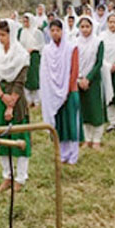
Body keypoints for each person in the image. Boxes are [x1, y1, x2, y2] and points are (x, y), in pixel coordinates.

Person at [0, 20, 31, 192]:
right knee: (2, 139)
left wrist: (11, 105)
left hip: (16, 101)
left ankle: (21, 176)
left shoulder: (21, 55)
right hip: (0, 99)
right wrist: (2, 96)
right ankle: (7, 175)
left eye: (4, 35)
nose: (1, 38)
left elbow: (19, 82)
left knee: (19, 138)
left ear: (11, 35)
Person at [40, 19, 82, 164]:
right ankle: (63, 153)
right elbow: (45, 73)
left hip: (70, 92)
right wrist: (53, 92)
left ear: (63, 31)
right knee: (60, 123)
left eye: (58, 30)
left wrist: (67, 91)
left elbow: (74, 71)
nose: (55, 33)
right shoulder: (47, 50)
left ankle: (73, 154)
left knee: (71, 123)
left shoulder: (72, 48)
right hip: (54, 93)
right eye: (52, 30)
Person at [75, 16, 110, 149]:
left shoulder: (98, 42)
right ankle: (87, 138)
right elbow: (74, 62)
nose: (85, 29)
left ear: (92, 27)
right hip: (79, 81)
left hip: (94, 80)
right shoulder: (75, 43)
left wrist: (88, 78)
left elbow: (99, 62)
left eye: (87, 26)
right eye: (82, 27)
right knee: (84, 110)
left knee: (95, 109)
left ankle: (96, 139)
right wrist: (79, 78)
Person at [18, 13, 44, 108]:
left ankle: (36, 100)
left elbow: (42, 45)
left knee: (35, 78)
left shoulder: (37, 32)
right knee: (26, 77)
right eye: (24, 21)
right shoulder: (22, 32)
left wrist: (33, 49)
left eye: (27, 21)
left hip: (34, 56)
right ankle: (28, 100)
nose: (25, 23)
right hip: (24, 56)